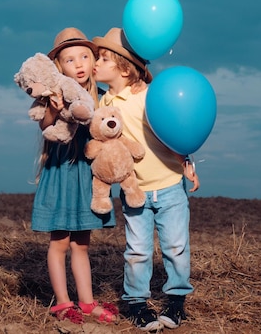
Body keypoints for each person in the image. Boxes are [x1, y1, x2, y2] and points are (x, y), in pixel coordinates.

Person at [92, 27, 200, 331]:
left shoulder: (150, 97)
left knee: (176, 247)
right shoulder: (104, 105)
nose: (96, 64)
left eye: (102, 58)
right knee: (137, 251)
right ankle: (137, 304)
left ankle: (177, 301)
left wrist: (187, 162)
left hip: (169, 186)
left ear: (124, 67)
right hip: (134, 192)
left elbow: (173, 132)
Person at [30, 27, 118, 325]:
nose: (78, 64)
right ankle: (63, 303)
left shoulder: (101, 97)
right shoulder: (53, 95)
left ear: (93, 62)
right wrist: (55, 110)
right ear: (59, 66)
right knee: (60, 242)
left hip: (86, 176)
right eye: (70, 59)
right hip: (61, 173)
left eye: (84, 56)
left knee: (82, 243)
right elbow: (44, 125)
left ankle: (87, 302)